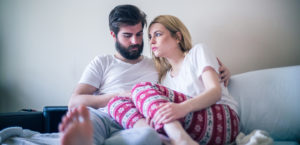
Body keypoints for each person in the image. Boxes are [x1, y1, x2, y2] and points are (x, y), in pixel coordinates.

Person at [59, 5, 232, 145]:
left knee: (143, 129)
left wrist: (220, 71)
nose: (136, 41)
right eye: (127, 36)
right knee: (111, 109)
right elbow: (74, 101)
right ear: (114, 35)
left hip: (144, 122)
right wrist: (121, 94)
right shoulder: (103, 62)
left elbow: (197, 79)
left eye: (140, 34)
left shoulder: (158, 66)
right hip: (108, 116)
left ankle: (163, 137)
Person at [107, 15, 239, 145]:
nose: (152, 41)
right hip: (190, 125)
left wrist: (181, 108)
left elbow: (215, 92)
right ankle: (156, 136)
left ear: (177, 37)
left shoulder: (198, 52)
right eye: (150, 37)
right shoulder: (164, 79)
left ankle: (180, 140)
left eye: (157, 34)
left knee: (141, 87)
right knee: (116, 102)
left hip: (224, 119)